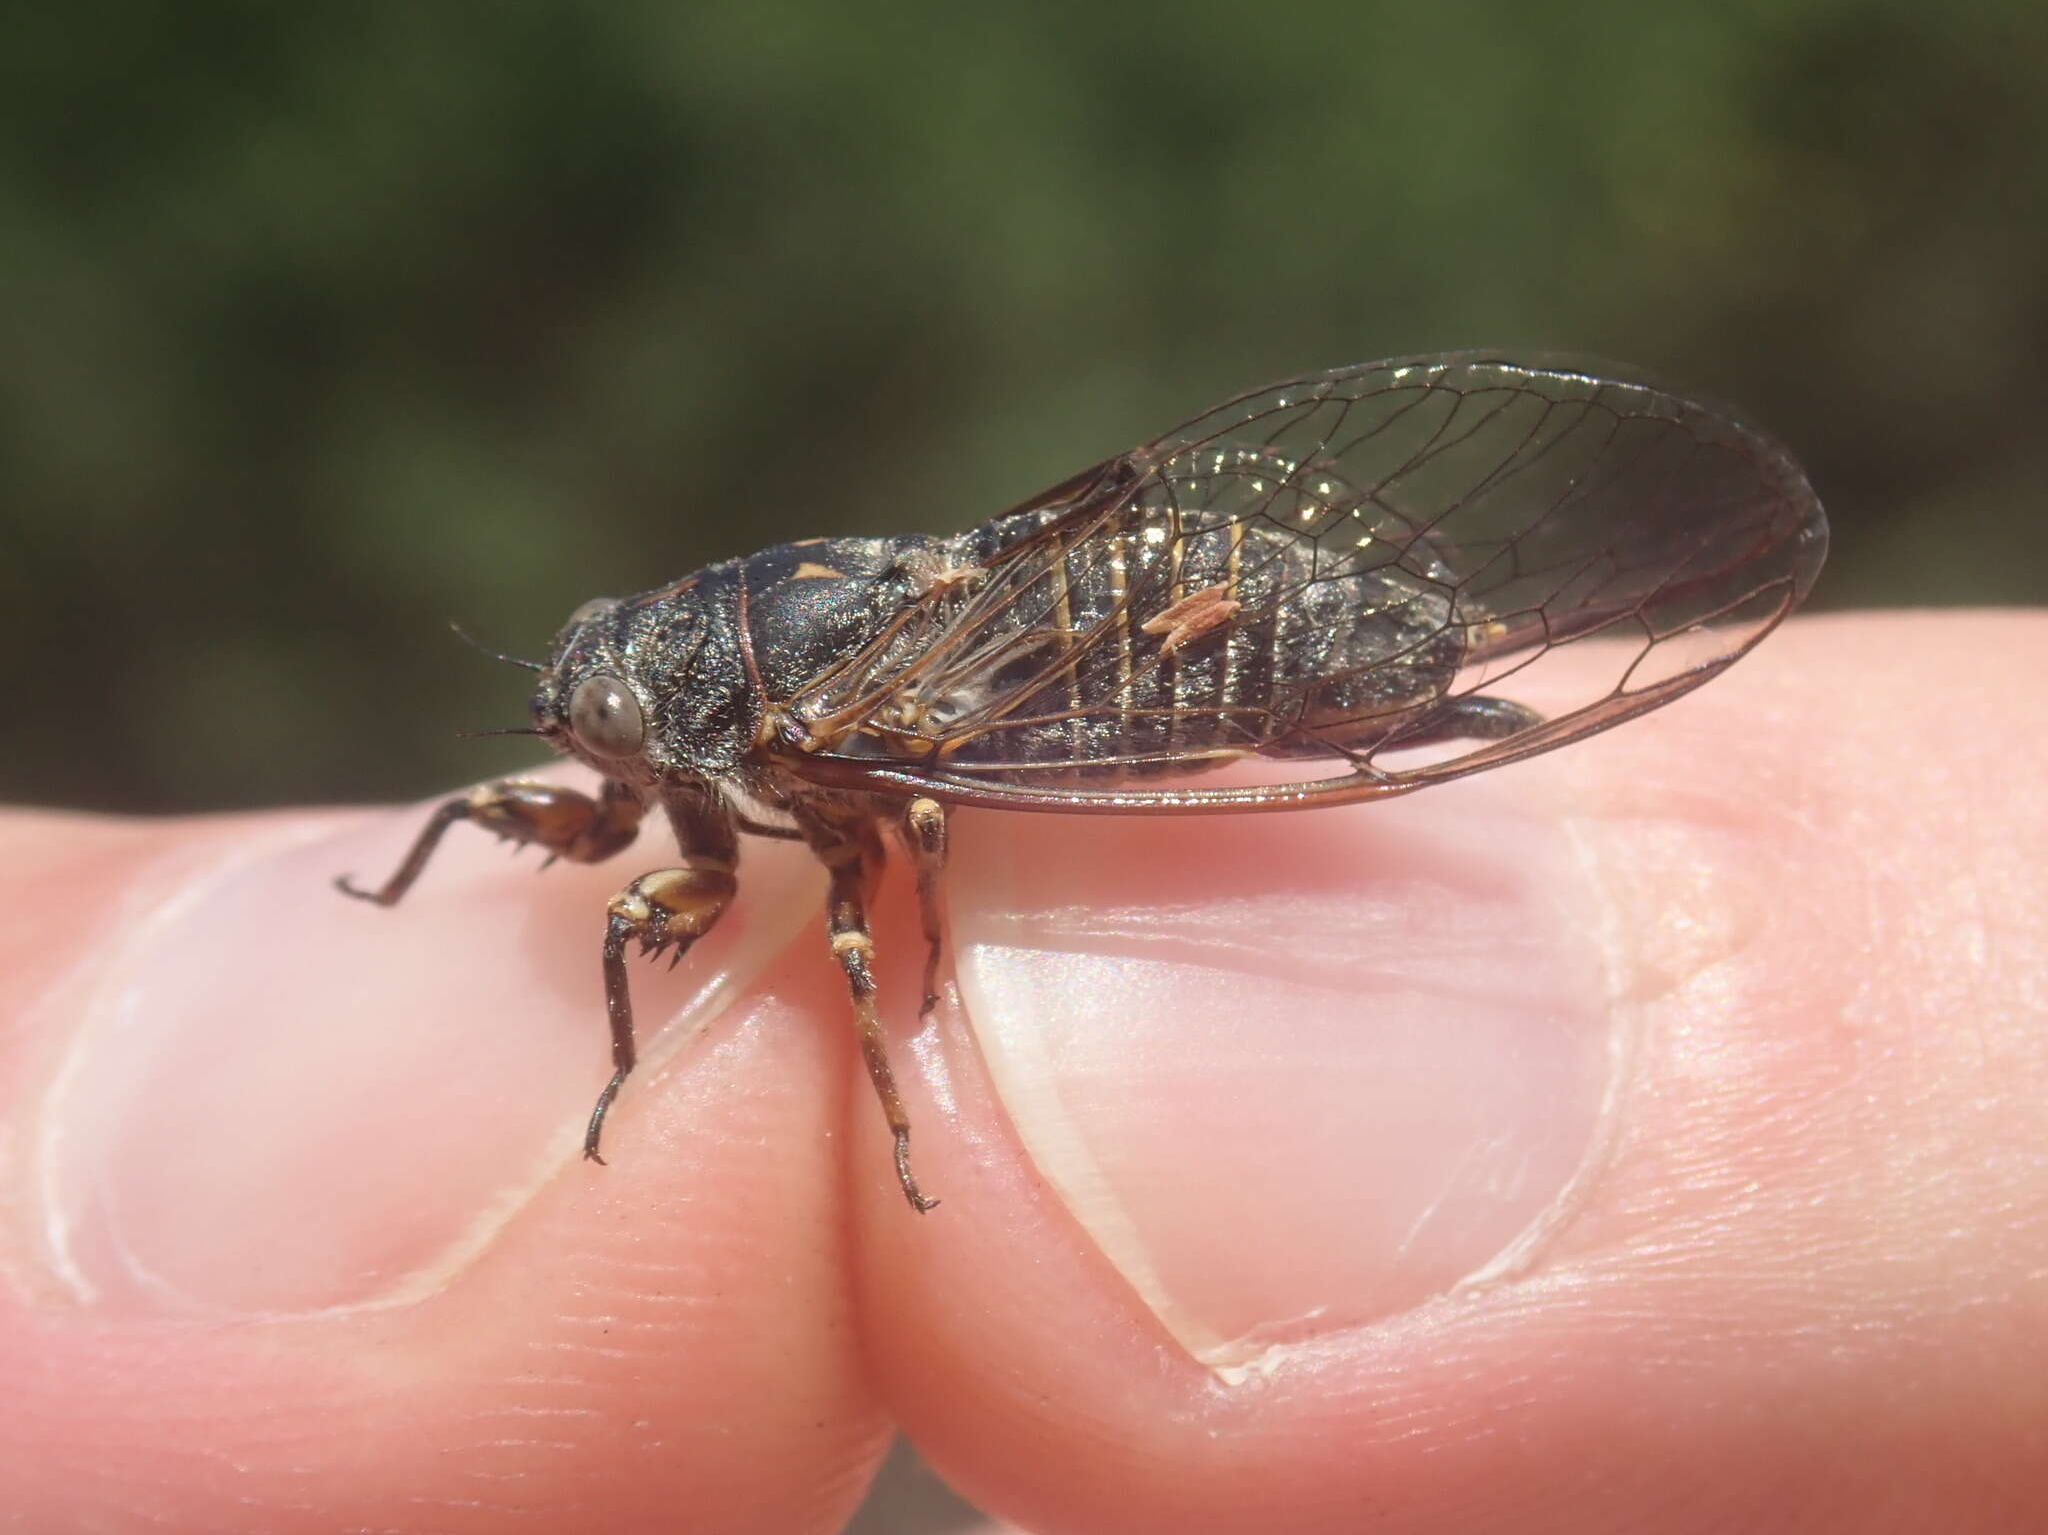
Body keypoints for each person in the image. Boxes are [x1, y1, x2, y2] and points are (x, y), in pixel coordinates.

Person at [3, 613, 2043, 1533]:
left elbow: (885, 830)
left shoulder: (808, 729)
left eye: (615, 722)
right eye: (590, 725)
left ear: (697, 708)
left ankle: (917, 1098)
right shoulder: (696, 775)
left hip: (1112, 663)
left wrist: (873, 1082)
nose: (592, 762)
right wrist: (421, 881)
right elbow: (707, 850)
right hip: (973, 660)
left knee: (912, 864)